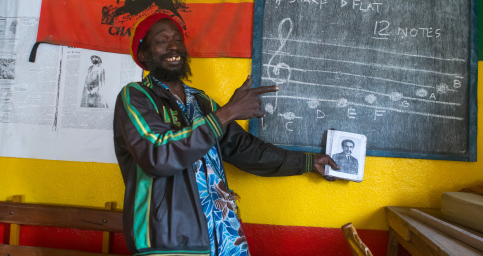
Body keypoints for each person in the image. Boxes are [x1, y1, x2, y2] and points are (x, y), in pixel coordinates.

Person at [113, 13, 339, 256]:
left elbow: (246, 149)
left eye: (178, 39)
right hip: (170, 240)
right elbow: (157, 156)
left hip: (224, 234)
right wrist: (229, 111)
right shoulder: (136, 97)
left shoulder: (201, 102)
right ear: (144, 54)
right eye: (162, 41)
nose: (173, 46)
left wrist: (307, 161)